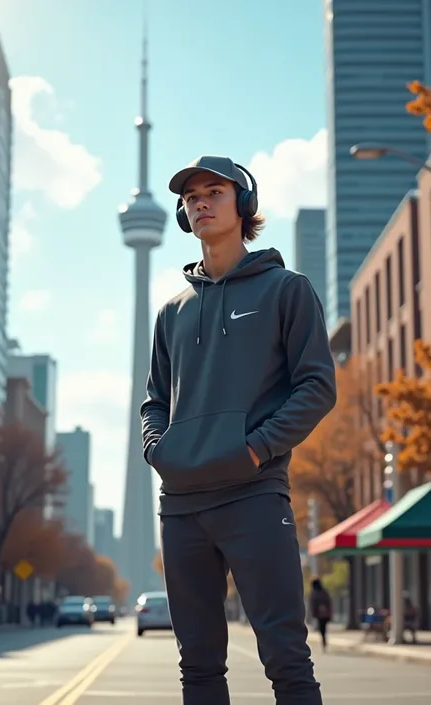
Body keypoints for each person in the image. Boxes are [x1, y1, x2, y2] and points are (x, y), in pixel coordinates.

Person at [141, 156, 337, 705]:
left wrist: (256, 449)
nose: (199, 202)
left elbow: (318, 387)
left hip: (254, 495)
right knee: (198, 669)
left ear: (243, 204)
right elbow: (154, 401)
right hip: (181, 507)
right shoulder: (171, 313)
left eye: (214, 191)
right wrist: (160, 452)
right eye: (190, 197)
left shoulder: (286, 290)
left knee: (287, 661)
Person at [309, 579, 332, 651]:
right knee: (323, 628)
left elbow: (313, 604)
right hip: (325, 614)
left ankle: (324, 641)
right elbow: (329, 603)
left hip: (320, 614)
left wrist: (314, 613)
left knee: (322, 629)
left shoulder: (314, 593)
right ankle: (324, 641)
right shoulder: (325, 592)